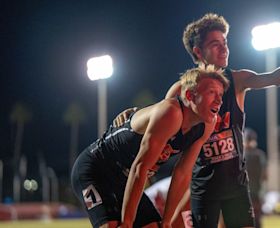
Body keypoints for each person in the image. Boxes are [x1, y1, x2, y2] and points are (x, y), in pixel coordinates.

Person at [114, 13, 280, 228]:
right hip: (202, 186)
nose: (224, 49)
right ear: (198, 52)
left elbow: (274, 77)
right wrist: (135, 115)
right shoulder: (181, 89)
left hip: (236, 185)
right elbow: (161, 117)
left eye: (225, 42)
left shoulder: (238, 80)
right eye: (215, 44)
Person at [71, 64, 229, 228]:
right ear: (190, 95)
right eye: (211, 92)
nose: (219, 100)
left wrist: (167, 220)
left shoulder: (208, 123)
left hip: (126, 177)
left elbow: (182, 173)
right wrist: (127, 222)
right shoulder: (171, 113)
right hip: (96, 169)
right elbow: (141, 168)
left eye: (220, 94)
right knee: (111, 226)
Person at [243, 128, 267, 228]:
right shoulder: (259, 155)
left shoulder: (240, 155)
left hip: (242, 193)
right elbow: (265, 176)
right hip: (256, 192)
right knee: (256, 218)